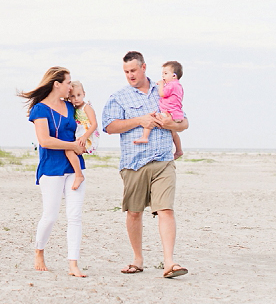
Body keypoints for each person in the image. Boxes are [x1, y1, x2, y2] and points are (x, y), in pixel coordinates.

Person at [102, 51, 189, 279]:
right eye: (126, 72)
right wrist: (139, 121)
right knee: (134, 213)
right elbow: (109, 127)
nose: (130, 75)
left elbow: (184, 122)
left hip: (163, 160)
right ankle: (137, 259)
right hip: (134, 162)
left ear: (143, 67)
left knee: (166, 209)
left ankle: (169, 262)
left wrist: (173, 124)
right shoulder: (119, 97)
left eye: (133, 70)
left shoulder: (164, 89)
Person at [18, 67, 87, 278]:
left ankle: (73, 263)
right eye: (68, 82)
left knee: (75, 216)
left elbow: (84, 125)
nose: (70, 86)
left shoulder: (70, 106)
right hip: (51, 168)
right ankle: (39, 251)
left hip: (75, 167)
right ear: (57, 84)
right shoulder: (40, 109)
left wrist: (85, 142)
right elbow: (44, 140)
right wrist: (71, 145)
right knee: (50, 216)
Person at [136, 60, 184, 159]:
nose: (163, 76)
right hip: (177, 114)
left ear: (174, 76)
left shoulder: (171, 85)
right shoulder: (179, 86)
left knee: (151, 118)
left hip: (170, 113)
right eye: (162, 74)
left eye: (165, 74)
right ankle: (179, 150)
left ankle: (145, 137)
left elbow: (162, 94)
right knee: (173, 133)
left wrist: (161, 84)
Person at [69, 81, 100, 154]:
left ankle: (77, 166)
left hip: (87, 135)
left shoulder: (86, 107)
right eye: (72, 96)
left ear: (84, 94)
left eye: (79, 95)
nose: (76, 98)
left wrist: (84, 137)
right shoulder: (73, 108)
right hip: (79, 133)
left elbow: (94, 124)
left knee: (70, 151)